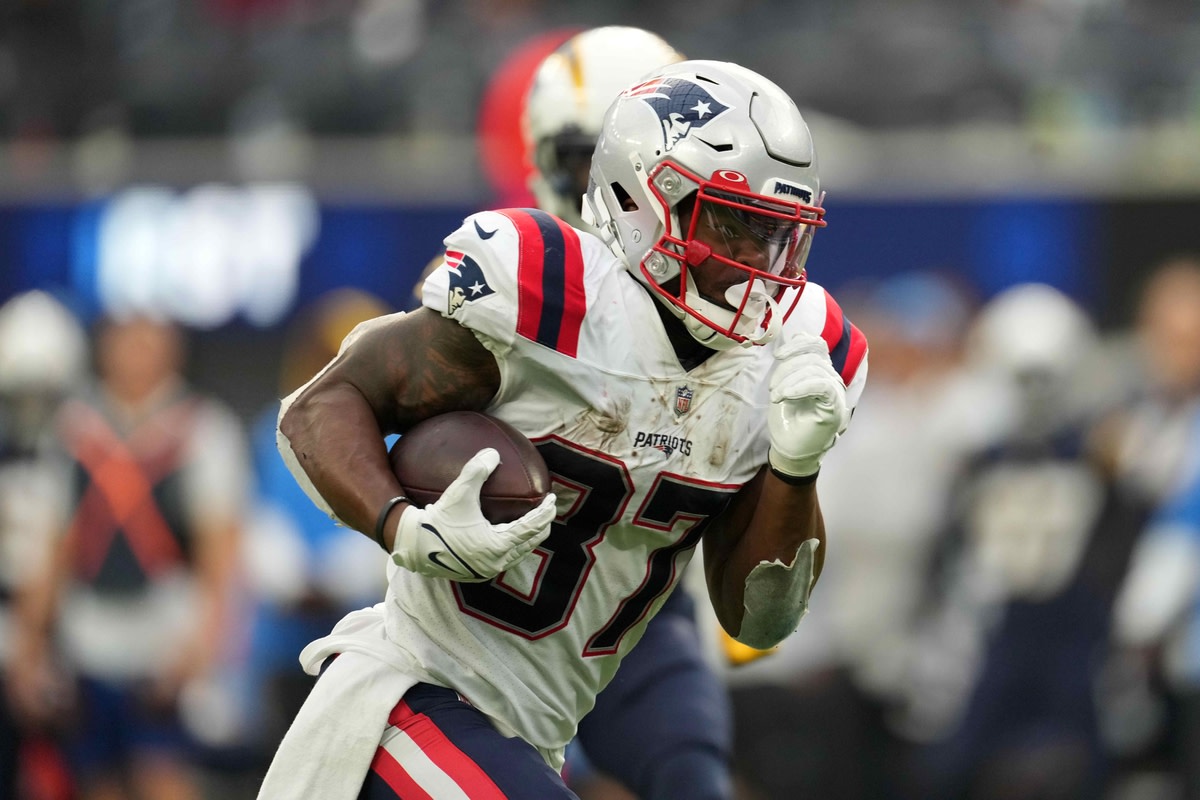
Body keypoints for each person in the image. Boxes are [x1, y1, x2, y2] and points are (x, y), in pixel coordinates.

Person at [260, 58, 868, 798]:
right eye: (733, 224)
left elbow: (761, 622)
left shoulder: (796, 353)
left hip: (533, 736)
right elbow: (318, 408)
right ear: (647, 198)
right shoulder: (549, 291)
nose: (753, 263)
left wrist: (795, 467)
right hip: (408, 699)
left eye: (774, 234)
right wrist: (402, 526)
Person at [521, 26, 735, 800]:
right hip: (497, 620)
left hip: (635, 613)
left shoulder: (728, 311)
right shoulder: (506, 279)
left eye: (646, 166)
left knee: (692, 777)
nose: (617, 188)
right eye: (589, 161)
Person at [7, 313, 250, 800]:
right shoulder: (73, 430)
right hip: (87, 634)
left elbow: (220, 548)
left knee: (163, 776)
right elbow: (53, 545)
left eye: (149, 341)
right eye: (126, 341)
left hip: (164, 632)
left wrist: (207, 644)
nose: (137, 354)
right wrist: (29, 649)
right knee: (95, 778)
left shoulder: (203, 427)